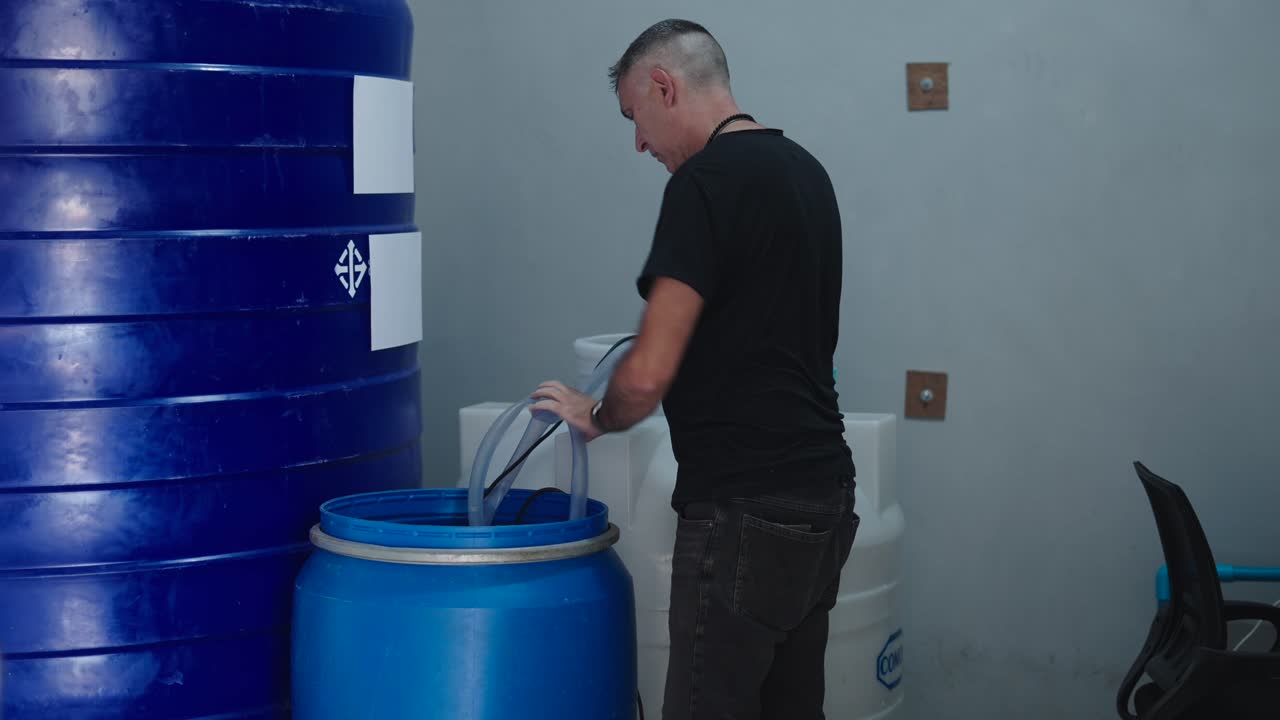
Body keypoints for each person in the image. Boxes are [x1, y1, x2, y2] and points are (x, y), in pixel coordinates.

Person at [530, 18, 858, 720]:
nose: (639, 143)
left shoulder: (703, 185)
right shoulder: (806, 171)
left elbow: (647, 374)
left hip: (745, 509)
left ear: (663, 86)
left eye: (635, 117)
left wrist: (596, 415)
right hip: (825, 496)